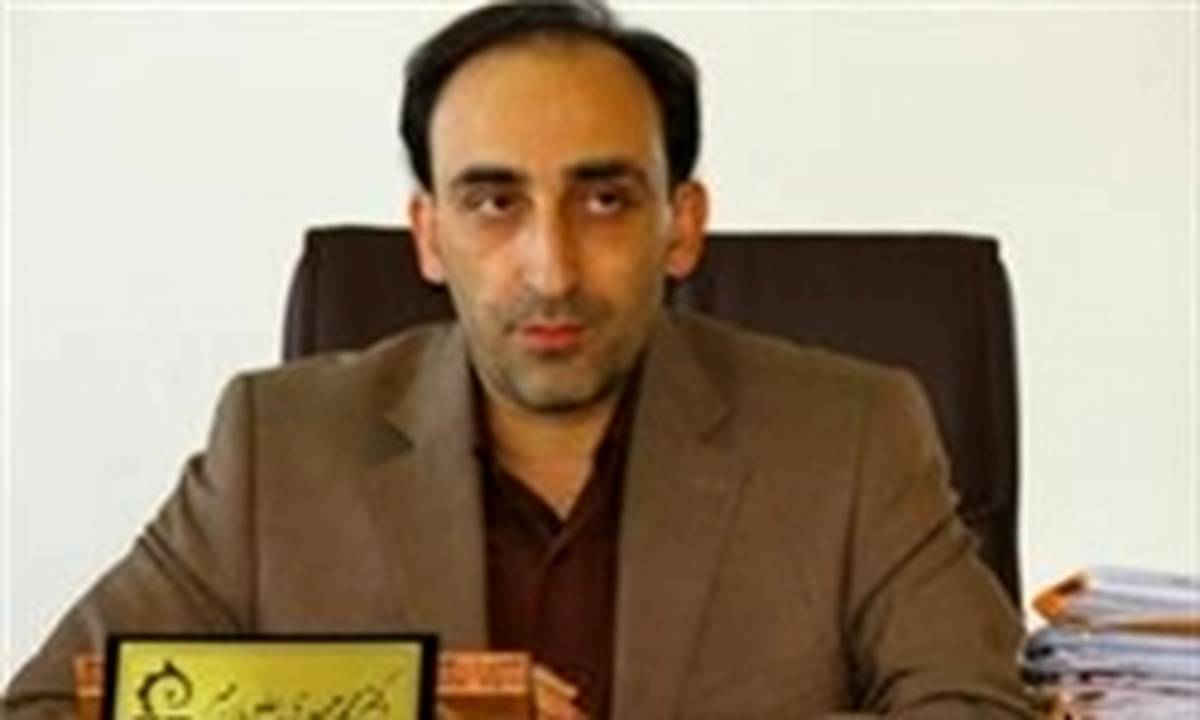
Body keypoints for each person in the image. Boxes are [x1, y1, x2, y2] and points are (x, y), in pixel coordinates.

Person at [4, 1, 1036, 717]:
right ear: (428, 234)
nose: (550, 269)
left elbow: (976, 707)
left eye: (605, 199)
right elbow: (49, 709)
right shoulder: (277, 450)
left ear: (681, 225)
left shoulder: (851, 434)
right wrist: (394, 705)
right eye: (494, 202)